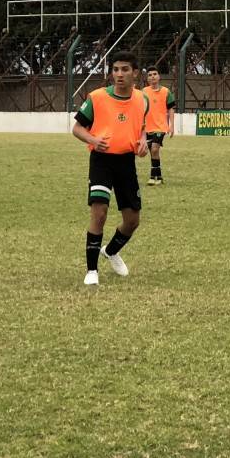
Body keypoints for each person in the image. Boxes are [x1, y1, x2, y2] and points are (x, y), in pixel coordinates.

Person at [72, 53, 149, 285]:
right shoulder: (97, 97)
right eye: (115, 69)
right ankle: (91, 271)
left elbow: (141, 125)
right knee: (100, 212)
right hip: (101, 161)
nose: (119, 74)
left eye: (125, 69)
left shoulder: (142, 99)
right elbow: (77, 128)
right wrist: (93, 140)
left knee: (132, 220)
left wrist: (143, 140)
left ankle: (111, 251)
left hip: (126, 162)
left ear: (135, 73)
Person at [142, 68, 176, 184]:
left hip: (160, 127)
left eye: (155, 74)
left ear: (159, 76)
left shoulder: (166, 91)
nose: (152, 76)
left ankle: (152, 177)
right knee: (153, 152)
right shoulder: (143, 92)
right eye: (150, 75)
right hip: (147, 127)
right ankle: (159, 177)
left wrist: (171, 126)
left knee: (155, 149)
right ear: (147, 79)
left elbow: (171, 109)